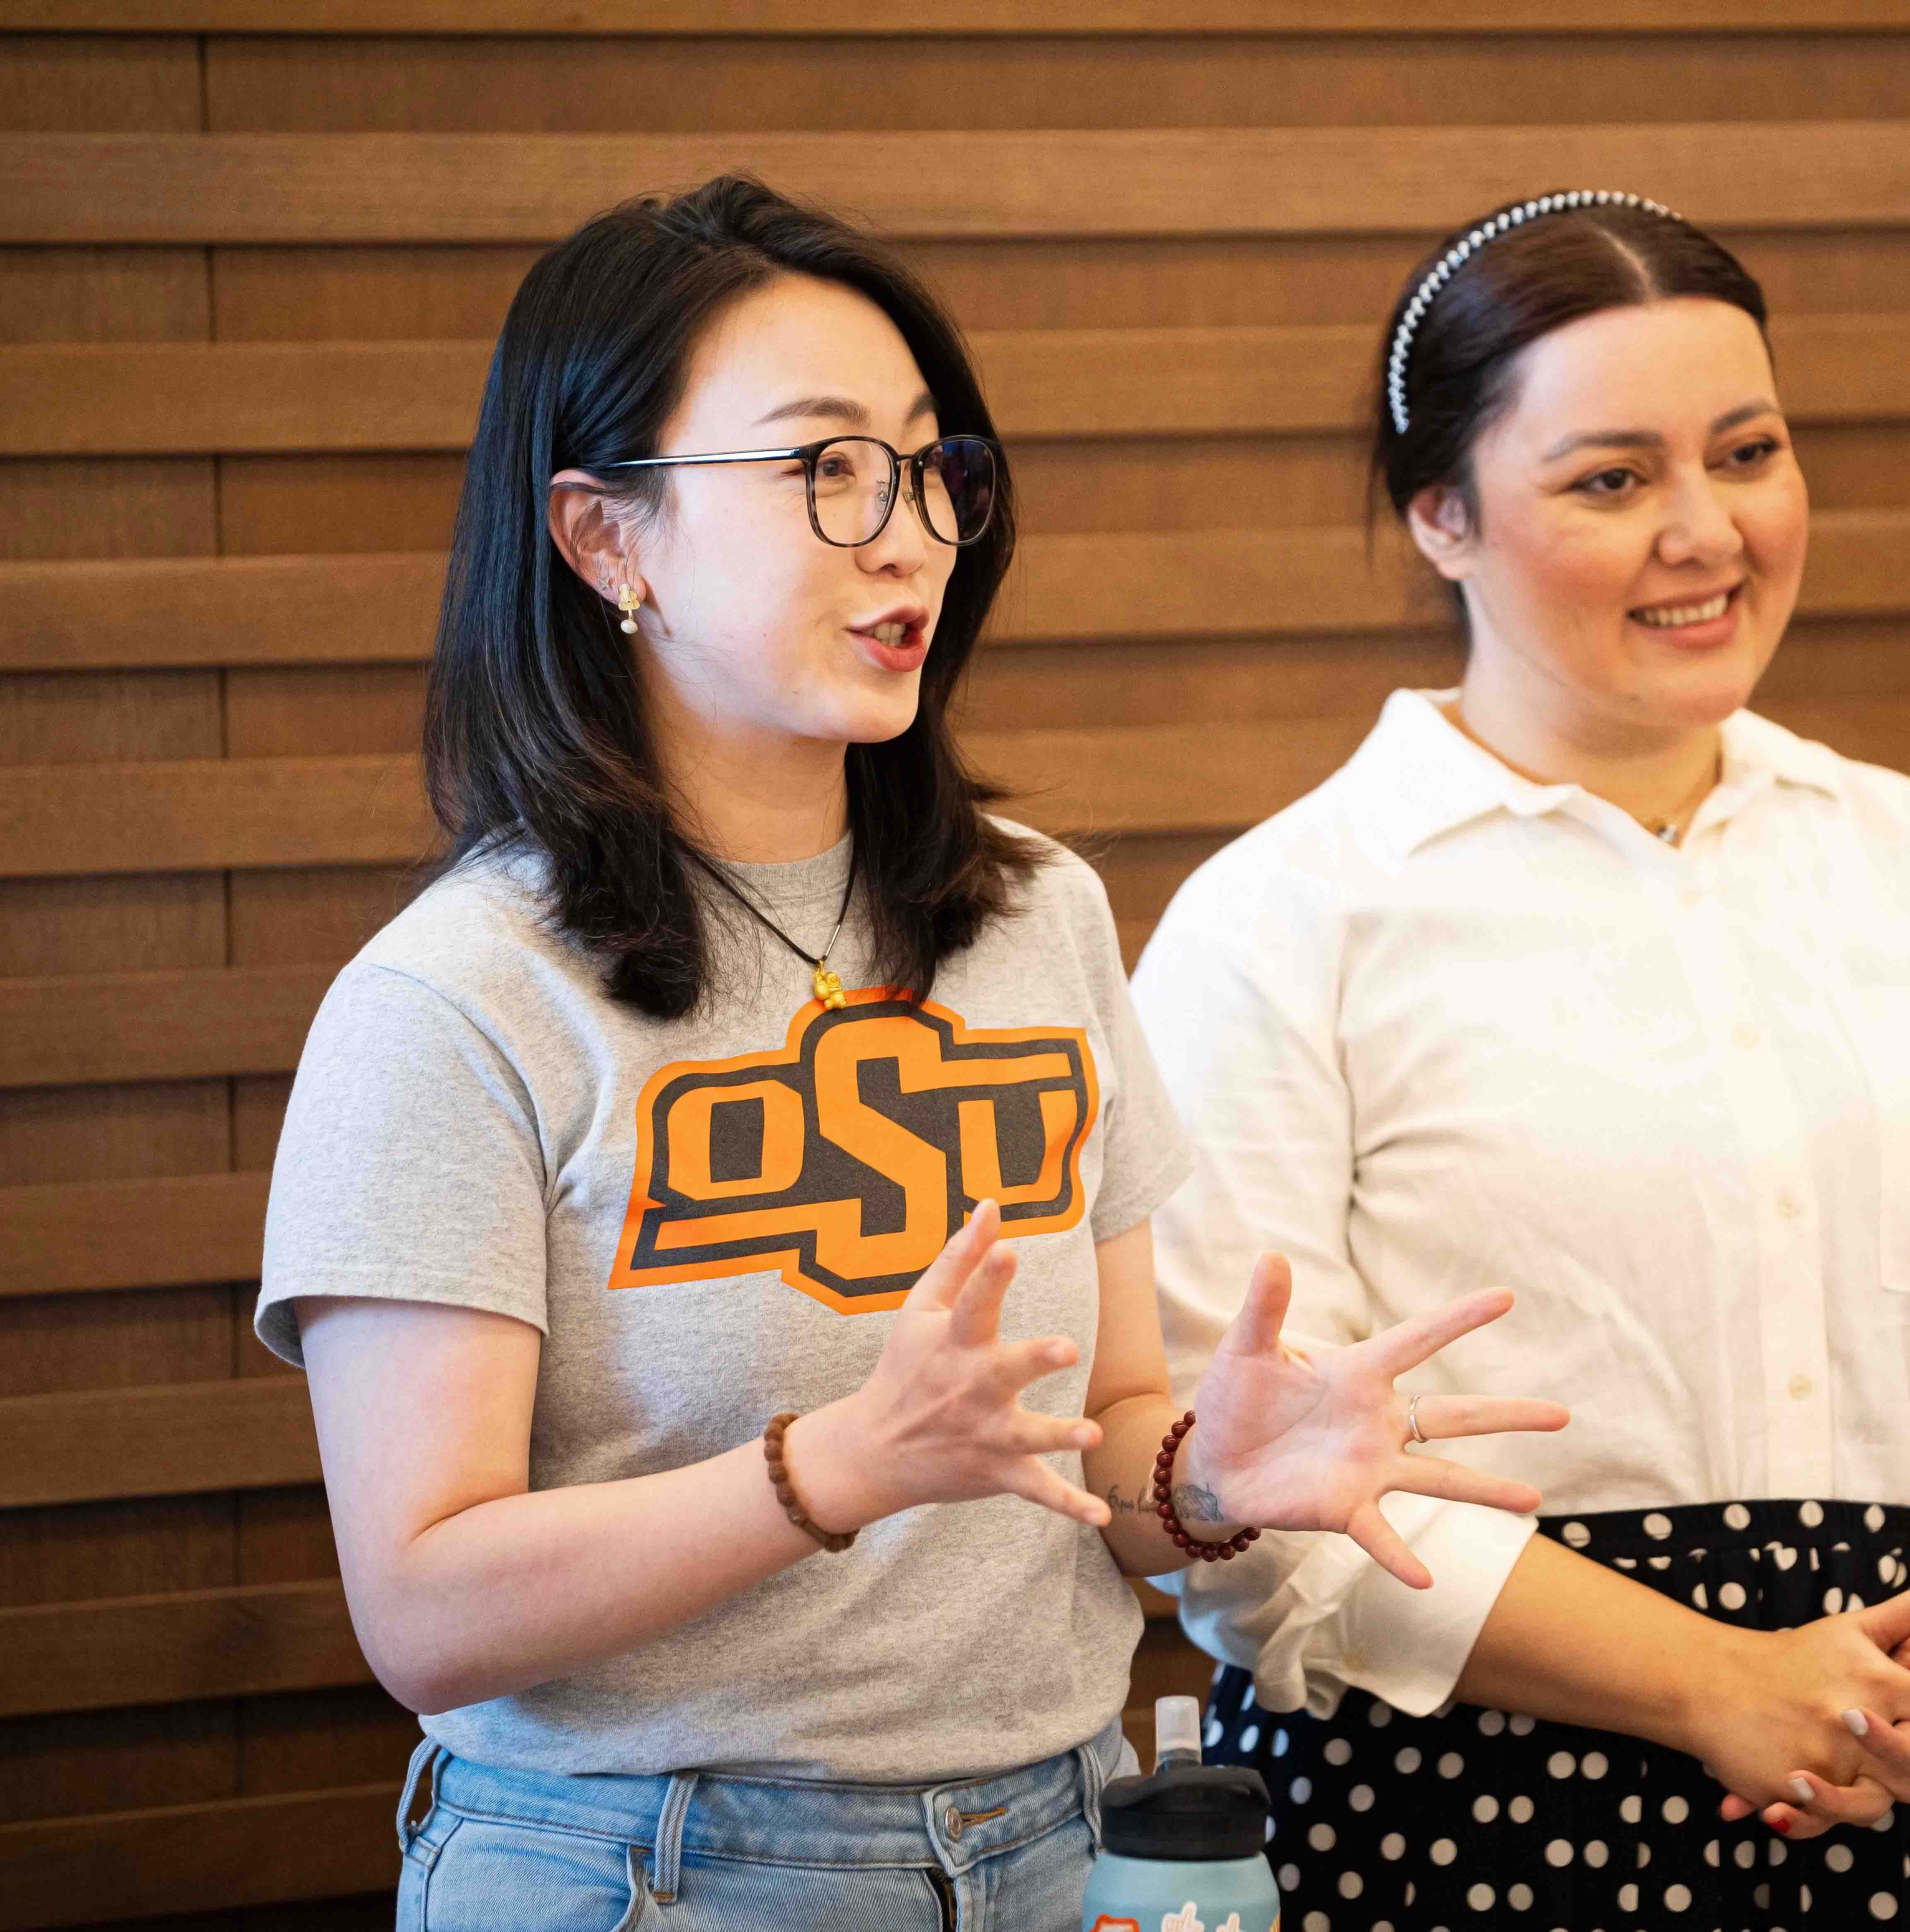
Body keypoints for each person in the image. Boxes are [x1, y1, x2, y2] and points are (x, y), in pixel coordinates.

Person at [254, 175, 1570, 1932]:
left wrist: (1203, 1479)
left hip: (1060, 1836)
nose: (910, 540)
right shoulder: (458, 999)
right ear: (604, 537)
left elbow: (1100, 1445)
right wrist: (831, 1472)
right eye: (827, 469)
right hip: (647, 1869)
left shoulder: (1037, 914)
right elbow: (424, 1606)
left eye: (930, 470)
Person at [1130, 189, 1910, 1932]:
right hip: (1469, 1810)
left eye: (1750, 453)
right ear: (1440, 515)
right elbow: (1256, 1486)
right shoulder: (1284, 918)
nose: (1708, 531)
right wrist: (1715, 1679)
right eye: (1611, 479)